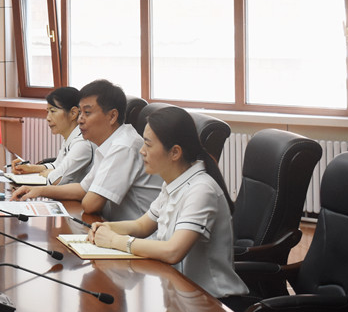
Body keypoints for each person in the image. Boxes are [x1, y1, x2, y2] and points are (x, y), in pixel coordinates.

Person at [87, 106, 247, 299]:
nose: (142, 151)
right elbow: (142, 225)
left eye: (148, 145)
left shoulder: (201, 189)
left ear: (175, 152)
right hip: (180, 292)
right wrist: (106, 228)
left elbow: (173, 251)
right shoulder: (173, 182)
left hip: (214, 301)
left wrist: (115, 241)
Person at [13, 79, 161, 221]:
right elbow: (83, 189)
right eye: (80, 113)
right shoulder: (106, 145)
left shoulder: (123, 146)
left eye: (87, 113)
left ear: (112, 116)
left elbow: (91, 204)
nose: (80, 120)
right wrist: (38, 190)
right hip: (113, 226)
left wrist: (87, 194)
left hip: (136, 234)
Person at [10, 86, 94, 185]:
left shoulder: (82, 143)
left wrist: (52, 173)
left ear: (73, 113)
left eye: (53, 111)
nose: (48, 118)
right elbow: (57, 165)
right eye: (48, 112)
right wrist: (31, 168)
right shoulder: (70, 138)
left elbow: (57, 179)